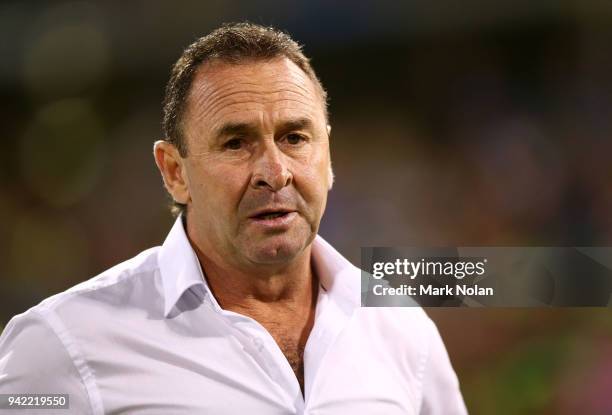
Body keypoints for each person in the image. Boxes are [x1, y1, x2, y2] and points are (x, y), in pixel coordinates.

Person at [0, 23, 467, 414]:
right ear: (175, 173)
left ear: (328, 156)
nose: (274, 172)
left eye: (295, 138)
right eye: (236, 143)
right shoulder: (63, 344)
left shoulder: (400, 328)